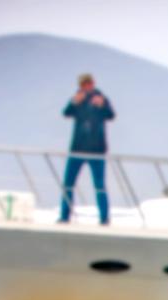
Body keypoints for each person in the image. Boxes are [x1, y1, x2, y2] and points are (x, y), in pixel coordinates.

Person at [59, 73, 114, 225]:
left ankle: (104, 217)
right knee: (68, 184)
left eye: (88, 84)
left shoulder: (101, 98)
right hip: (77, 149)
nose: (86, 87)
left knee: (99, 185)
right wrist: (74, 102)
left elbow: (111, 115)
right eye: (83, 84)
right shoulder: (78, 99)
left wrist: (102, 105)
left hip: (97, 151)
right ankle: (64, 215)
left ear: (93, 83)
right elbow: (66, 113)